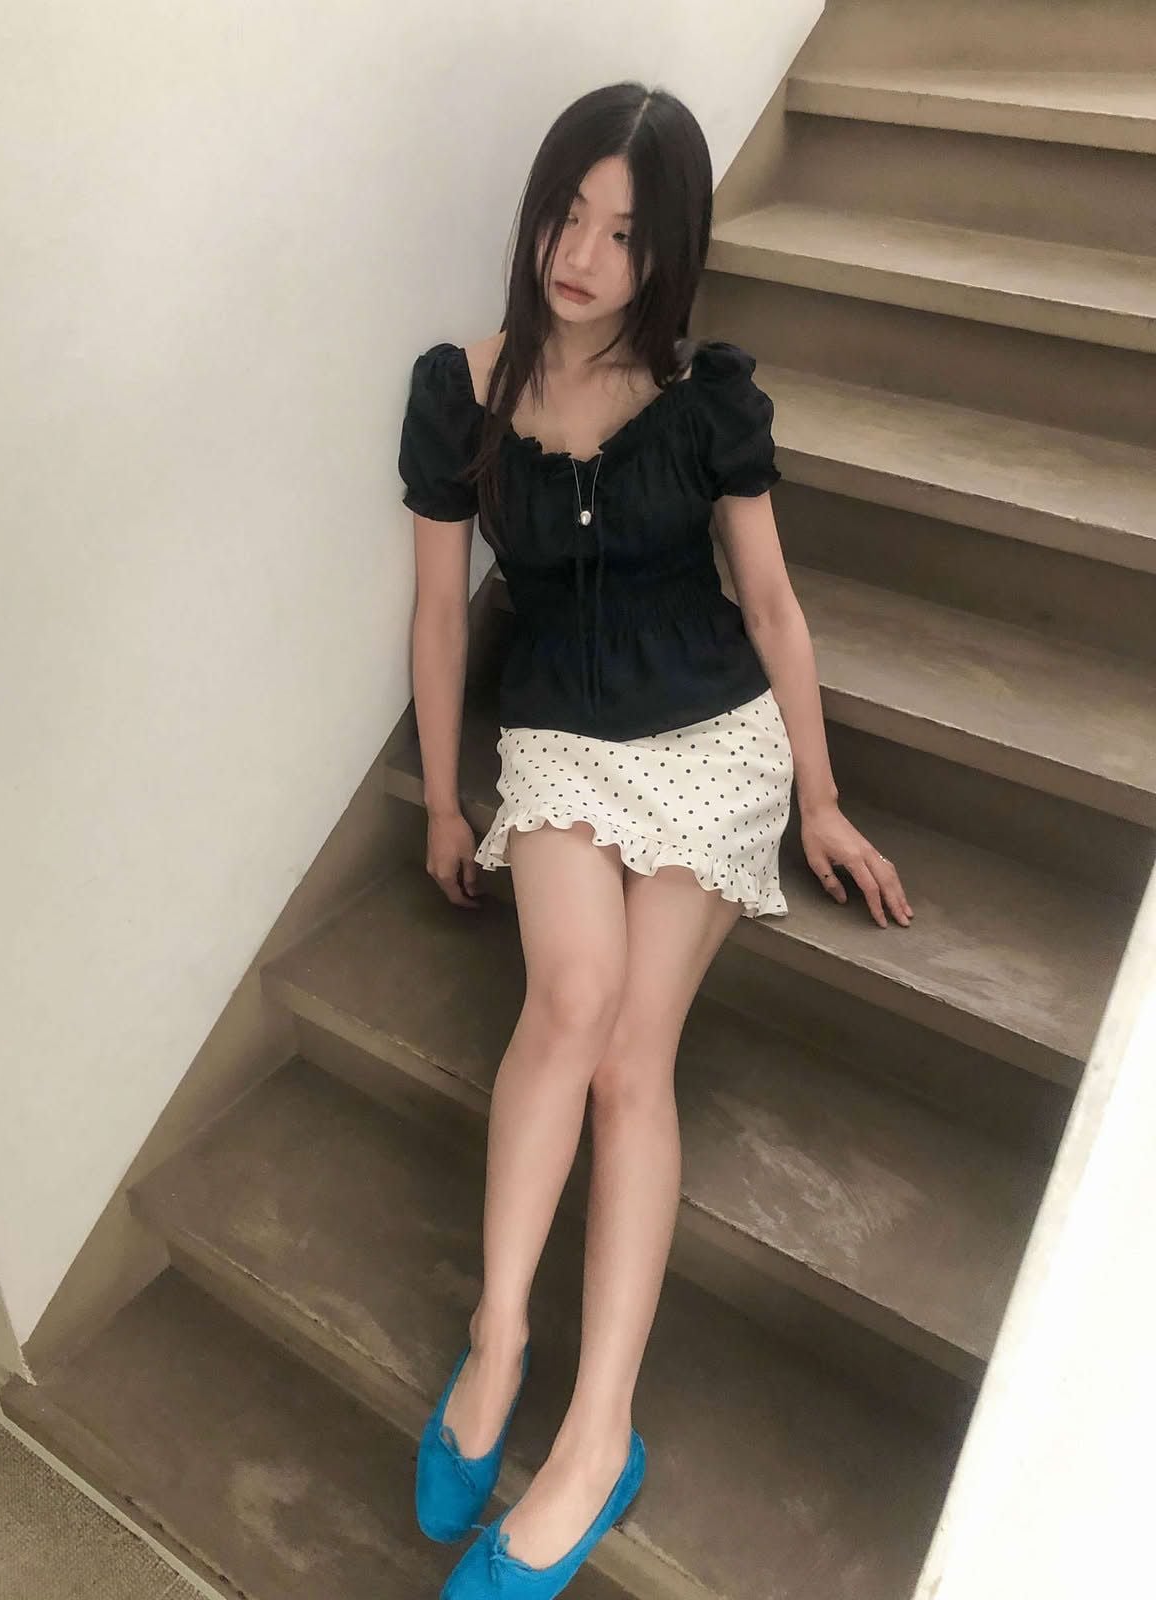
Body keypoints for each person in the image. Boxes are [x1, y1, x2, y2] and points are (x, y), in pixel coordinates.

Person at [397, 79, 914, 1600]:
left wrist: (819, 793)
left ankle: (597, 1436)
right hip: (560, 729)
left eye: (625, 234)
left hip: (711, 735)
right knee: (568, 997)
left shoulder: (703, 402)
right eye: (568, 216)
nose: (583, 256)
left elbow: (771, 604)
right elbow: (442, 615)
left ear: (667, 251)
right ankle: (501, 1337)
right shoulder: (461, 390)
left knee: (632, 1054)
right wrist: (445, 798)